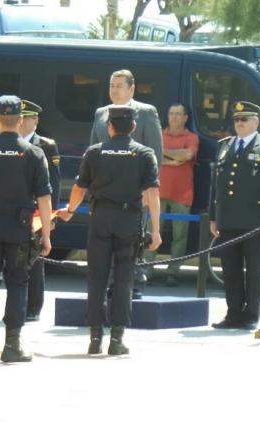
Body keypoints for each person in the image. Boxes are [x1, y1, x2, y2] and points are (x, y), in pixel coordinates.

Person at [59, 105, 161, 355]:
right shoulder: (144, 153)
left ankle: (95, 337)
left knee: (97, 279)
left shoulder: (94, 152)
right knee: (124, 279)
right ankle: (117, 339)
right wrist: (156, 230)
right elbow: (153, 193)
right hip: (128, 220)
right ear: (134, 127)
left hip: (100, 217)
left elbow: (79, 188)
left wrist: (70, 210)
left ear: (110, 127)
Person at [0, 95, 53, 363]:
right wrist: (46, 235)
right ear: (20, 120)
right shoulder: (34, 153)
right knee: (18, 283)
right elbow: (44, 198)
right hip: (19, 229)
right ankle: (12, 345)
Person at [209, 101, 260, 331]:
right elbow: (216, 185)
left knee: (253, 270)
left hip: (256, 221)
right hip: (228, 218)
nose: (239, 124)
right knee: (229, 269)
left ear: (256, 122)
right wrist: (213, 216)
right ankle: (233, 313)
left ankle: (251, 314)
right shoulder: (224, 144)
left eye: (244, 119)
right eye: (236, 120)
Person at [89, 69, 163, 296]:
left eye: (119, 85)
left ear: (132, 88)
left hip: (134, 192)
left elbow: (155, 154)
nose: (114, 90)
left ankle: (134, 283)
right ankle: (110, 285)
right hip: (106, 193)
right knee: (105, 244)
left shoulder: (146, 113)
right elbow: (92, 151)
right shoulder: (101, 113)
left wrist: (147, 191)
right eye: (112, 85)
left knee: (133, 241)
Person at [18, 99, 60, 322]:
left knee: (34, 261)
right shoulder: (8, 142)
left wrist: (51, 217)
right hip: (14, 210)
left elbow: (53, 184)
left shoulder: (45, 145)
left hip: (36, 212)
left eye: (30, 118)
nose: (25, 122)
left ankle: (33, 307)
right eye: (22, 117)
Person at [148, 103, 199, 287]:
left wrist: (164, 155)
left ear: (186, 117)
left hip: (183, 194)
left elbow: (187, 155)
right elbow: (152, 156)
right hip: (156, 192)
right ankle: (147, 270)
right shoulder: (159, 134)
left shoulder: (192, 137)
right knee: (151, 233)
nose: (174, 117)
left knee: (180, 237)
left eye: (178, 114)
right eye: (171, 113)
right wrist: (174, 158)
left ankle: (173, 272)